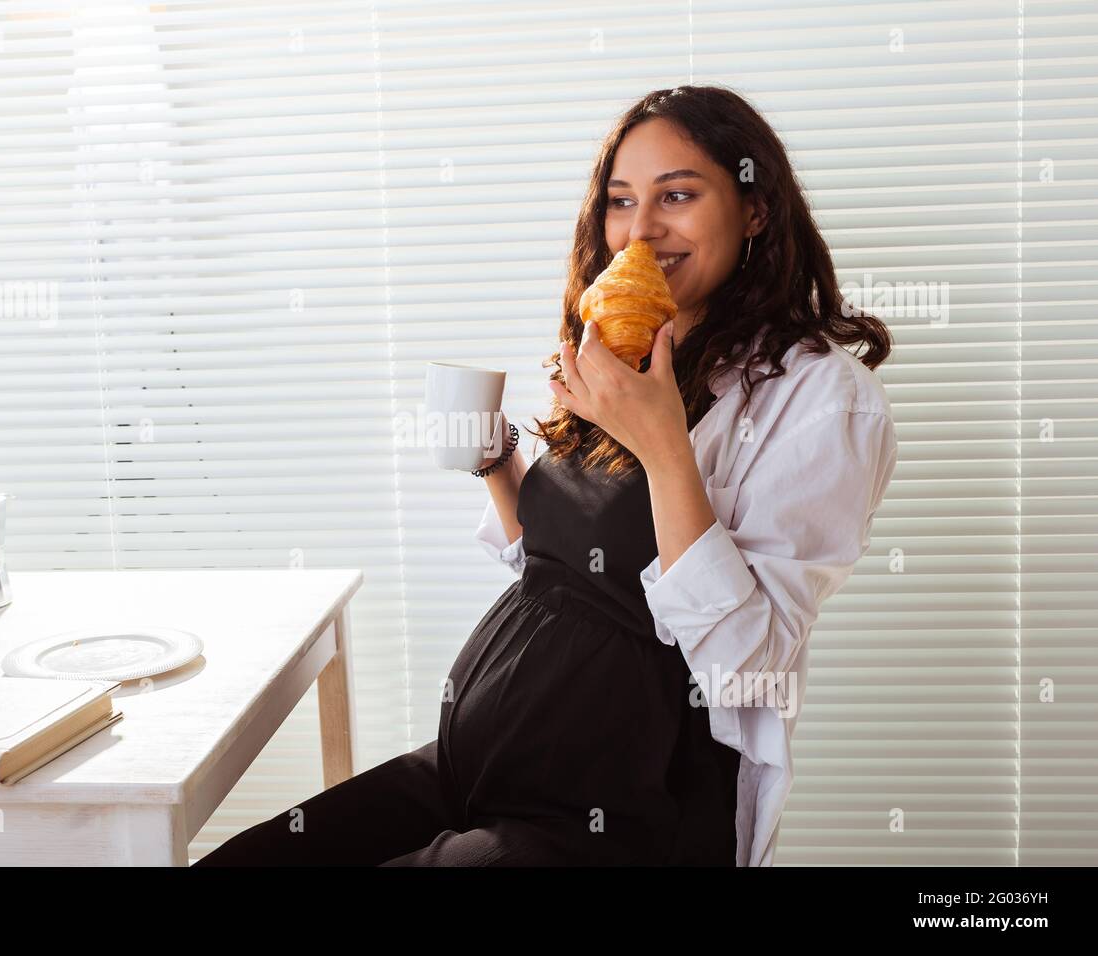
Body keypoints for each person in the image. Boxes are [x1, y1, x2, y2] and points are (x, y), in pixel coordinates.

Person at [194, 85, 897, 867]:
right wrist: (501, 465)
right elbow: (572, 570)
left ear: (755, 208)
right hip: (477, 767)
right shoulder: (623, 343)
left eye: (678, 195)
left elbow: (747, 668)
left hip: (609, 811)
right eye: (622, 200)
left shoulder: (823, 400)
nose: (641, 228)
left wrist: (663, 445)